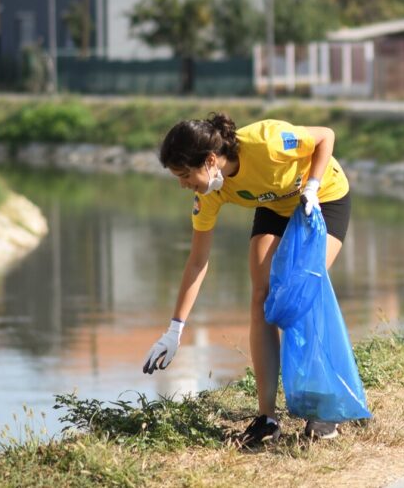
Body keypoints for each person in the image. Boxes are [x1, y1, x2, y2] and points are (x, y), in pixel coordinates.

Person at [141, 112, 353, 445]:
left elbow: (326, 135)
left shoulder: (267, 143)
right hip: (274, 203)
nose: (183, 184)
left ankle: (324, 408)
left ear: (211, 160)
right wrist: (175, 329)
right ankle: (267, 419)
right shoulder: (210, 192)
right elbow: (197, 261)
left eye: (184, 175)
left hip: (322, 196)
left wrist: (312, 185)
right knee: (261, 297)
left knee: (300, 293)